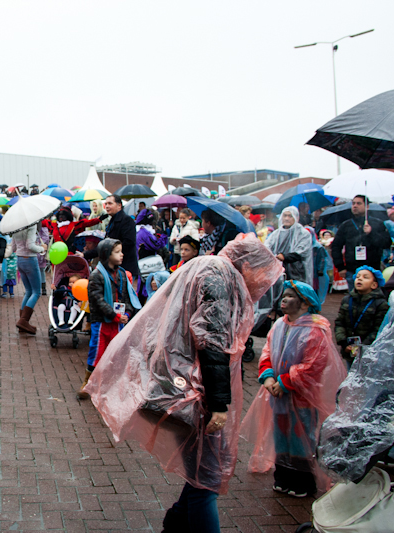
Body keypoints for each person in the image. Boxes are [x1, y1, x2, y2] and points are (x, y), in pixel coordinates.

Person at [84, 234, 284, 533]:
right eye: (258, 272)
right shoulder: (220, 277)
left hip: (175, 385)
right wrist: (218, 404)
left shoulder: (204, 267)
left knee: (200, 472)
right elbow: (213, 342)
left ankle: (175, 523)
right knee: (207, 479)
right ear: (247, 264)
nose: (259, 280)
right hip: (191, 392)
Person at [241, 281, 347, 498]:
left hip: (302, 397)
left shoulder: (316, 329)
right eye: (284, 296)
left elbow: (315, 363)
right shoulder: (280, 324)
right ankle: (283, 476)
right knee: (281, 434)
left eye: (290, 296)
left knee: (301, 437)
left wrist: (286, 382)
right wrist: (268, 377)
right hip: (278, 395)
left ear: (305, 303)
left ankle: (302, 481)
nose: (284, 299)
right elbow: (268, 351)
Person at [77, 238, 142, 400]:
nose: (121, 255)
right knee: (96, 352)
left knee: (117, 353)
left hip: (118, 322)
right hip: (102, 322)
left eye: (121, 251)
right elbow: (97, 300)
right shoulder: (97, 275)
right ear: (106, 254)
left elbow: (127, 295)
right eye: (117, 252)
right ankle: (88, 382)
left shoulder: (121, 273)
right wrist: (115, 316)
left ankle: (112, 384)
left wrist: (127, 312)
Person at [329, 196, 392, 291]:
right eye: (353, 203)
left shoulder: (377, 224)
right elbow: (336, 246)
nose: (355, 206)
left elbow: (386, 243)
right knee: (354, 299)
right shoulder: (346, 225)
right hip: (352, 270)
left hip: (372, 269)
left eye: (359, 203)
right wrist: (340, 266)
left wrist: (371, 233)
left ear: (367, 206)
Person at [334, 265, 389, 368]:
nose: (359, 278)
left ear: (374, 285)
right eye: (358, 276)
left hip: (370, 352)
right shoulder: (347, 300)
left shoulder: (380, 304)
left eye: (365, 277)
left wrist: (363, 346)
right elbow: (339, 322)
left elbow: (378, 329)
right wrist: (344, 343)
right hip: (350, 350)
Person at [80, 195, 139, 280]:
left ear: (119, 205)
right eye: (106, 204)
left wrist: (111, 253)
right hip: (113, 268)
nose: (107, 206)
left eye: (110, 203)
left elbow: (128, 243)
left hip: (125, 268)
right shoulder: (112, 220)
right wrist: (85, 254)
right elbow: (104, 246)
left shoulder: (126, 220)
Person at [264, 206, 313, 285]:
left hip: (298, 272)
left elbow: (301, 252)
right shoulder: (276, 234)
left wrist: (284, 257)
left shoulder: (303, 233)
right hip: (278, 272)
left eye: (290, 216)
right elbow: (267, 247)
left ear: (296, 217)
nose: (287, 218)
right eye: (285, 215)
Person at [11, 224, 45, 334]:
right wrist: (41, 248)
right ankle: (23, 321)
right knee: (36, 292)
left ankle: (23, 323)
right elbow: (30, 246)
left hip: (20, 259)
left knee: (29, 291)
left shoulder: (16, 225)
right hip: (29, 259)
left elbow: (13, 247)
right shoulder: (31, 224)